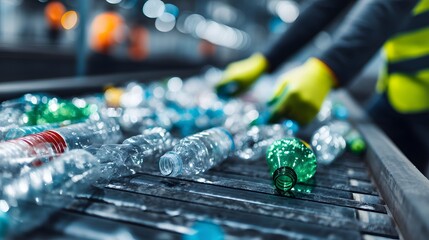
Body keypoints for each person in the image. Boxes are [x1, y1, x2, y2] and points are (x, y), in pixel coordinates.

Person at [215, 0, 429, 174]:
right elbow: (325, 6)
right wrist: (266, 59)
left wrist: (327, 68)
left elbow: (389, 6)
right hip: (397, 92)